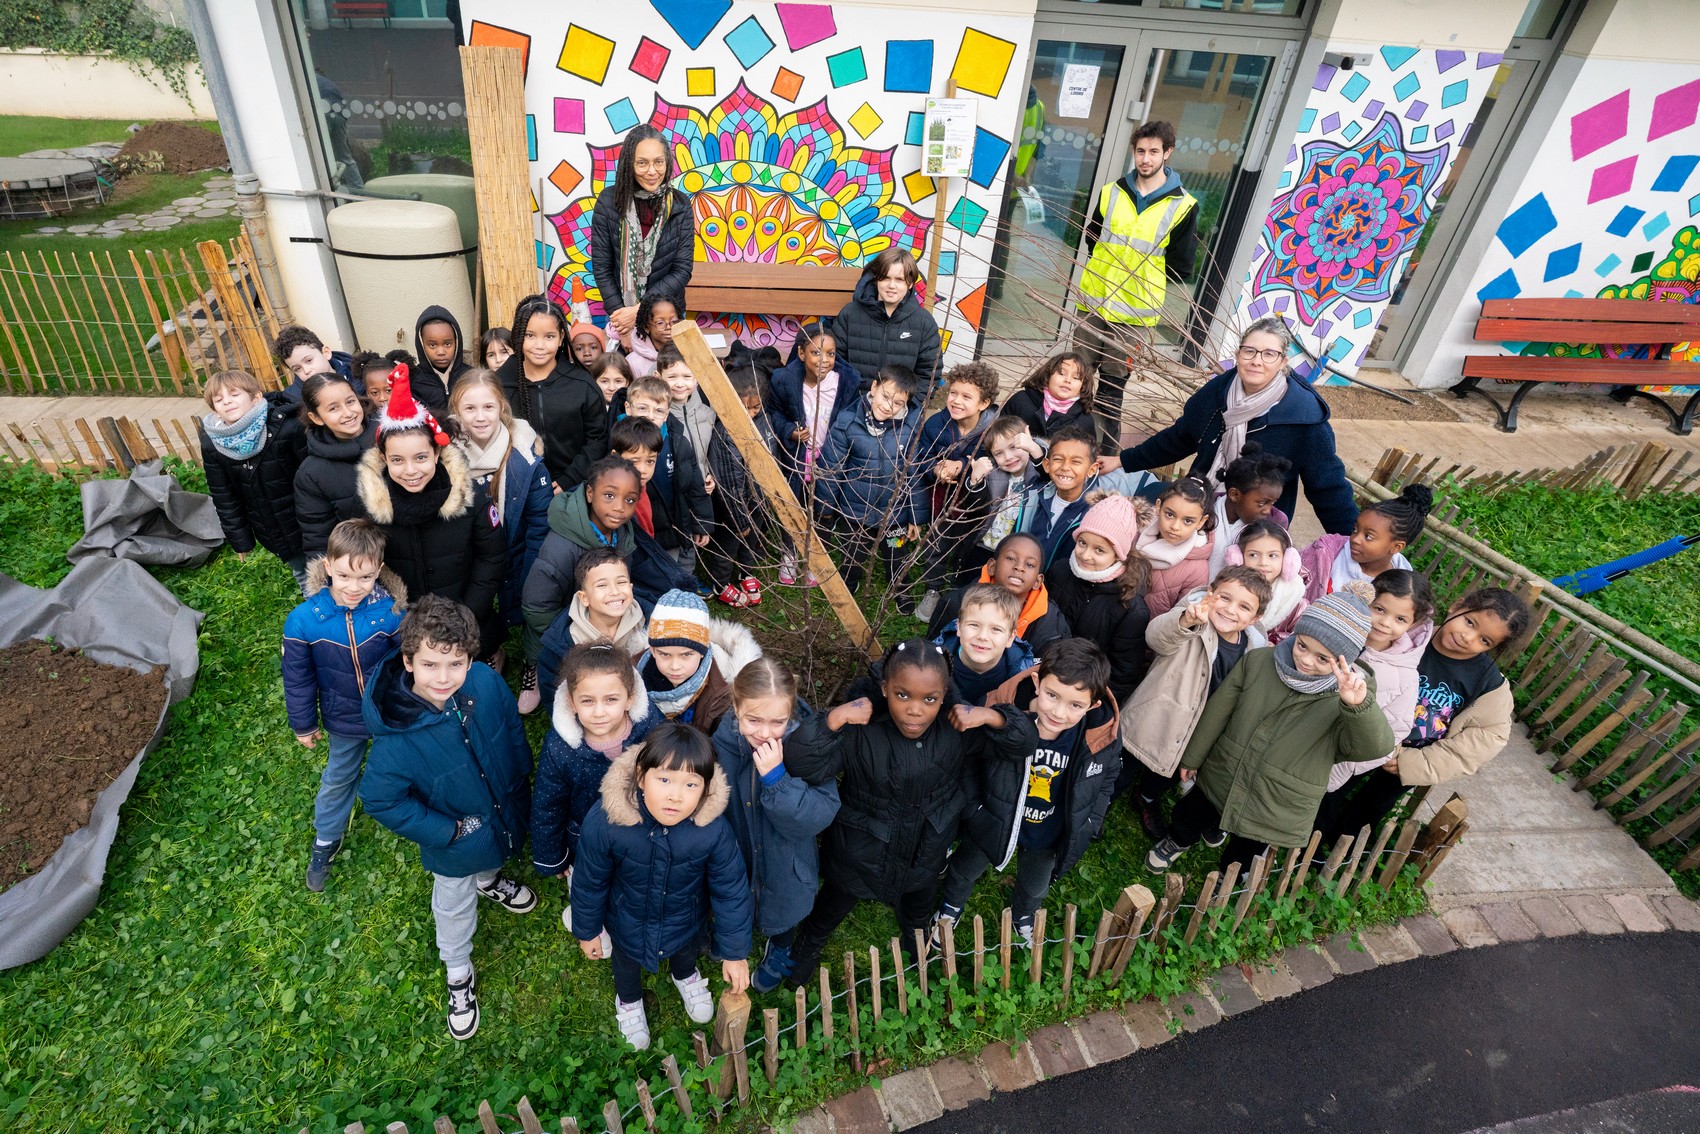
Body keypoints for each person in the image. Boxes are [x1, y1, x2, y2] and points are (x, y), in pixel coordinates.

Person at [783, 639, 1036, 979]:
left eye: (929, 699)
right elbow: (801, 763)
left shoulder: (956, 728)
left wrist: (990, 715)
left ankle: (916, 943)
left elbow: (1023, 744)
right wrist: (835, 717)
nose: (915, 709)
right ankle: (810, 942)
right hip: (860, 853)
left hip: (926, 850)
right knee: (832, 904)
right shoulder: (862, 729)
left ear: (944, 694)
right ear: (885, 687)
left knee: (918, 909)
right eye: (903, 695)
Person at [359, 595, 537, 1041]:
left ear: (470, 659)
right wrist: (446, 831)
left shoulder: (486, 683)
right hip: (456, 840)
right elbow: (380, 801)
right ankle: (458, 970)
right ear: (408, 661)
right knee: (454, 900)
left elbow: (511, 730)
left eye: (455, 664)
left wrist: (520, 774)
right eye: (431, 665)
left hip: (501, 803)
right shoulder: (395, 741)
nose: (445, 678)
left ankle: (490, 879)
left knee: (496, 851)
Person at [1145, 592, 1393, 875]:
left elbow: (1373, 747)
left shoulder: (1347, 698)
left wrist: (1357, 708)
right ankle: (1178, 840)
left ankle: (1231, 876)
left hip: (1278, 796)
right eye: (1302, 646)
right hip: (1225, 770)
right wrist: (1192, 758)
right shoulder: (1260, 662)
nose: (1307, 661)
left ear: (1345, 662)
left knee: (1250, 843)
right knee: (1195, 811)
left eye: (1323, 659)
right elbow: (1218, 712)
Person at [570, 724, 753, 1050]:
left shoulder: (713, 829)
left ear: (705, 789)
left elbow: (731, 889)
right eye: (664, 779)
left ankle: (685, 975)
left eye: (690, 784)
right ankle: (628, 1000)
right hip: (626, 920)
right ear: (641, 776)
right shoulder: (608, 820)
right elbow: (589, 880)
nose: (675, 795)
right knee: (625, 964)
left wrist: (736, 952)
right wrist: (587, 930)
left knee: (685, 952)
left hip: (686, 918)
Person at [936, 637, 1120, 946]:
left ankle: (1023, 914)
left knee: (1036, 885)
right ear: (1036, 681)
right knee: (965, 867)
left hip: (1047, 831)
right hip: (994, 818)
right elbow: (969, 760)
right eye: (1052, 695)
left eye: (1075, 705)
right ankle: (950, 906)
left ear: (1094, 705)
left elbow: (1107, 774)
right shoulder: (1002, 710)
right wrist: (975, 810)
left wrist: (1091, 819)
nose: (1059, 713)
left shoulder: (1099, 734)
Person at [1101, 317, 1358, 536]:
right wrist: (1123, 460)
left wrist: (1351, 542)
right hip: (1199, 506)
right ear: (1238, 355)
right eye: (1250, 351)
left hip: (1256, 528)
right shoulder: (1218, 393)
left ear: (1283, 362)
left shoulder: (1304, 416)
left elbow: (1329, 487)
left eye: (1269, 354)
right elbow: (1180, 438)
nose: (1257, 360)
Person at [1329, 587, 1530, 837]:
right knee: (1333, 789)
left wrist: (1416, 762)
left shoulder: (1487, 684)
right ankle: (1310, 842)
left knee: (1372, 807)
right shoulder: (1404, 640)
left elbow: (1489, 737)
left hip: (1405, 762)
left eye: (1484, 640)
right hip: (1366, 740)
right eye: (1470, 622)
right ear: (1457, 605)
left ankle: (1336, 852)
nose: (1469, 637)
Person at [282, 519, 407, 892]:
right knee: (339, 777)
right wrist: (304, 724)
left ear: (379, 572)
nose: (354, 588)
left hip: (388, 713)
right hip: (342, 718)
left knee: (409, 765)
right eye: (344, 577)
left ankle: (418, 815)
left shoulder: (392, 613)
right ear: (327, 568)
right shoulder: (304, 621)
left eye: (366, 578)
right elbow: (298, 678)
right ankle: (325, 840)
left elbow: (408, 664)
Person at [352, 368, 507, 656]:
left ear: (436, 453)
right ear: (384, 459)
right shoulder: (372, 506)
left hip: (464, 609)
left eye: (421, 457)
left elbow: (491, 556)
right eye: (397, 460)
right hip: (403, 620)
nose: (410, 471)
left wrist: (470, 611)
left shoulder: (469, 498)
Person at [711, 658, 840, 993]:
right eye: (753, 720)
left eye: (777, 722)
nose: (765, 733)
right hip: (736, 853)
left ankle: (780, 944)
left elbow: (819, 813)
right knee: (732, 895)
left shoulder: (807, 749)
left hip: (787, 862)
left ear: (790, 715)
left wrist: (777, 779)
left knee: (786, 906)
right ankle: (728, 935)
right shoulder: (718, 745)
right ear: (736, 706)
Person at [1118, 565, 1269, 840]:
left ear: (1254, 618)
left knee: (1171, 769)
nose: (1230, 610)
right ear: (1210, 594)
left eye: (1244, 607)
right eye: (1224, 598)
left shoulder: (1252, 651)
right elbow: (1156, 637)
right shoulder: (1193, 620)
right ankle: (1100, 801)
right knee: (1124, 765)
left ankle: (1147, 798)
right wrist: (1185, 621)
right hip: (1157, 711)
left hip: (1196, 725)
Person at [533, 642, 663, 936]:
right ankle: (587, 917)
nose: (600, 712)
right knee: (590, 880)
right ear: (571, 702)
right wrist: (553, 857)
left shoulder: (652, 729)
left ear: (629, 699)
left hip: (641, 829)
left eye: (611, 699)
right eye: (588, 701)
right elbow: (547, 804)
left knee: (632, 878)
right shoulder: (560, 747)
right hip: (586, 839)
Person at [1075, 120, 1198, 423]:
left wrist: (1142, 284)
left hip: (1135, 315)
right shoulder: (1111, 192)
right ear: (1133, 152)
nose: (1145, 159)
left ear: (1167, 153)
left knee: (1112, 390)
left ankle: (1102, 452)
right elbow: (1092, 238)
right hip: (1093, 303)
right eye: (1140, 151)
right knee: (1076, 379)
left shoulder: (1183, 206)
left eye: (1153, 152)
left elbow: (1180, 265)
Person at [1315, 571, 1435, 842]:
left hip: (1337, 759)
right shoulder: (1334, 634)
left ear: (1413, 624)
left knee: (1315, 809)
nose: (1384, 623)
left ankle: (1301, 852)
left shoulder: (1406, 675)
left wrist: (1351, 763)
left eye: (1400, 619)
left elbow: (1394, 732)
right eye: (1379, 609)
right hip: (1298, 736)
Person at [449, 369, 552, 685]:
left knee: (532, 606)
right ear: (456, 411)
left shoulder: (524, 452)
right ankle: (491, 648)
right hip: (468, 554)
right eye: (470, 409)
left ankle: (532, 661)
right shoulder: (446, 455)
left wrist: (531, 571)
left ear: (501, 408)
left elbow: (539, 521)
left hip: (515, 548)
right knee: (475, 606)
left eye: (488, 407)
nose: (480, 417)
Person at [520, 455, 644, 712]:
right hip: (559, 623)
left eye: (629, 500)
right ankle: (532, 666)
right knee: (557, 668)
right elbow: (536, 606)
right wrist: (562, 637)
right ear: (589, 493)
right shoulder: (561, 547)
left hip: (599, 614)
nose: (620, 507)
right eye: (609, 495)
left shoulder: (622, 532)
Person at [816, 363, 924, 597]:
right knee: (853, 552)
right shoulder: (847, 423)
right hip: (855, 511)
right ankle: (850, 580)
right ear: (874, 387)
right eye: (885, 397)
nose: (888, 407)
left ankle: (899, 587)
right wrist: (826, 509)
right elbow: (831, 468)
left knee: (896, 552)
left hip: (894, 513)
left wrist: (915, 515)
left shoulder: (910, 428)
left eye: (898, 404)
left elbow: (913, 473)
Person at [198, 368, 308, 591]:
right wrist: (241, 540)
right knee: (305, 574)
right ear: (215, 410)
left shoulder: (285, 426)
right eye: (219, 400)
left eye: (235, 395)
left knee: (338, 566)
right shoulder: (213, 443)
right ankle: (323, 617)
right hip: (275, 527)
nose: (227, 402)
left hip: (309, 515)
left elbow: (312, 473)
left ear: (256, 397)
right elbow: (224, 495)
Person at [591, 124, 695, 342]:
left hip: (667, 319)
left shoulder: (680, 205)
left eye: (659, 162)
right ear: (629, 164)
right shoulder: (609, 202)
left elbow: (682, 270)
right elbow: (602, 268)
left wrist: (638, 311)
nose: (652, 171)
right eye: (642, 163)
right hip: (620, 317)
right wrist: (623, 326)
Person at [914, 361, 1002, 616]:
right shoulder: (935, 424)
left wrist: (962, 464)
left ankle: (961, 587)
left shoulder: (992, 429)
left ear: (984, 403)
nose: (956, 401)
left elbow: (994, 458)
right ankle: (933, 588)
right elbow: (922, 457)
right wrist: (936, 469)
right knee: (937, 541)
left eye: (966, 396)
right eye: (953, 393)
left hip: (978, 500)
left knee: (969, 543)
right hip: (942, 497)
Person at [1045, 494, 1151, 703]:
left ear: (1119, 554)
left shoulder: (1130, 608)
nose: (1085, 555)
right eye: (1082, 542)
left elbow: (1122, 674)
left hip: (1084, 698)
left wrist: (1093, 707)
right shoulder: (1060, 571)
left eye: (1099, 550)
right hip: (1044, 678)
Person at [497, 293, 608, 492]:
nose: (539, 345)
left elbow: (597, 439)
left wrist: (571, 479)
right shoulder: (499, 386)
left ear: (561, 338)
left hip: (573, 489)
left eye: (549, 336)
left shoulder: (582, 385)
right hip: (517, 489)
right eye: (530, 335)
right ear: (518, 335)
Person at [535, 547, 651, 707]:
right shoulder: (561, 645)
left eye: (621, 582)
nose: (615, 591)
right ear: (584, 598)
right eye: (602, 585)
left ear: (631, 587)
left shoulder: (652, 622)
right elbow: (554, 696)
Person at [638, 589, 762, 738]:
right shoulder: (631, 677)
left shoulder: (726, 690)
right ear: (652, 650)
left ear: (703, 650)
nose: (675, 666)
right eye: (664, 654)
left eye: (686, 655)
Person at [926, 531, 1072, 653]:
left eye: (1029, 564)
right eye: (1011, 558)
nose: (1019, 567)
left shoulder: (1052, 625)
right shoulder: (956, 603)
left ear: (1037, 581)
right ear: (992, 567)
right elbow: (933, 652)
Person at [768, 321, 865, 492]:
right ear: (801, 353)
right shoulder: (783, 382)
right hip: (797, 459)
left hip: (832, 460)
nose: (824, 360)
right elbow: (774, 414)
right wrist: (789, 431)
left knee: (824, 505)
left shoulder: (845, 385)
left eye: (831, 354)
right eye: (816, 352)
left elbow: (853, 422)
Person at [952, 416, 1047, 585]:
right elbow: (975, 509)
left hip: (1014, 556)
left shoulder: (1039, 475)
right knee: (967, 588)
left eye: (1013, 447)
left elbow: (1048, 473)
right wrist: (975, 481)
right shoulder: (994, 475)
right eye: (999, 453)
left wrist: (1034, 449)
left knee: (1001, 594)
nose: (1008, 457)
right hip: (984, 546)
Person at [294, 371, 377, 561]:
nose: (348, 413)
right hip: (365, 563)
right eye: (333, 408)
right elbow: (318, 536)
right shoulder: (311, 474)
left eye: (350, 401)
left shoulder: (392, 436)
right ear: (316, 418)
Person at [832, 247, 941, 389]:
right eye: (886, 278)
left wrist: (910, 406)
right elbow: (836, 363)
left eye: (899, 280)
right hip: (854, 403)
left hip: (900, 406)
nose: (891, 285)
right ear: (877, 279)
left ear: (910, 284)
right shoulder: (850, 314)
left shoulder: (924, 323)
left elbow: (929, 375)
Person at [1299, 485, 1432, 601]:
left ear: (1396, 547)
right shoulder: (1325, 553)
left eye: (1368, 536)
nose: (1355, 539)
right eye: (1355, 529)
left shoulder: (1405, 587)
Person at [932, 583, 1035, 706]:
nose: (983, 636)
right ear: (958, 627)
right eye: (974, 625)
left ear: (1010, 638)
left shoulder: (1021, 674)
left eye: (996, 629)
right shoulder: (934, 661)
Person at [1207, 442, 1292, 578]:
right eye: (1262, 503)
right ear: (1234, 495)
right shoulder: (1203, 511)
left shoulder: (1275, 522)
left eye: (1273, 503)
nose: (1268, 510)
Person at [1138, 478, 1215, 617]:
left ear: (1201, 522)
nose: (1175, 526)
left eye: (1187, 521)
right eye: (1170, 514)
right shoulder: (1137, 533)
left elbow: (1182, 616)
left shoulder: (1197, 570)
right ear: (1158, 506)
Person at [1223, 519, 1308, 642]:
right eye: (1253, 555)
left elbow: (1299, 640)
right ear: (1239, 557)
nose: (1263, 562)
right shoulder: (1226, 590)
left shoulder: (1298, 604)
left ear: (1287, 559)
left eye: (1272, 555)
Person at [1000, 353, 1105, 451]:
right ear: (1048, 376)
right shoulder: (1021, 401)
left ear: (1083, 386)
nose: (1068, 380)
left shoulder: (1084, 420)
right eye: (1061, 373)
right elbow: (997, 435)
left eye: (1076, 377)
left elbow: (1087, 457)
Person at [412, 305, 471, 413]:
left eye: (447, 344)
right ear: (421, 345)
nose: (441, 352)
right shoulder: (414, 381)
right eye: (432, 345)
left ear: (456, 342)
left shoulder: (471, 376)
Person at [274, 323, 357, 400]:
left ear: (326, 353)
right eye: (297, 369)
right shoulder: (297, 397)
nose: (306, 371)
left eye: (309, 361)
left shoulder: (358, 372)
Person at [618, 293, 680, 380]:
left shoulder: (687, 354)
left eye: (673, 321)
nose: (669, 327)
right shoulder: (633, 363)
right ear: (647, 326)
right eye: (660, 323)